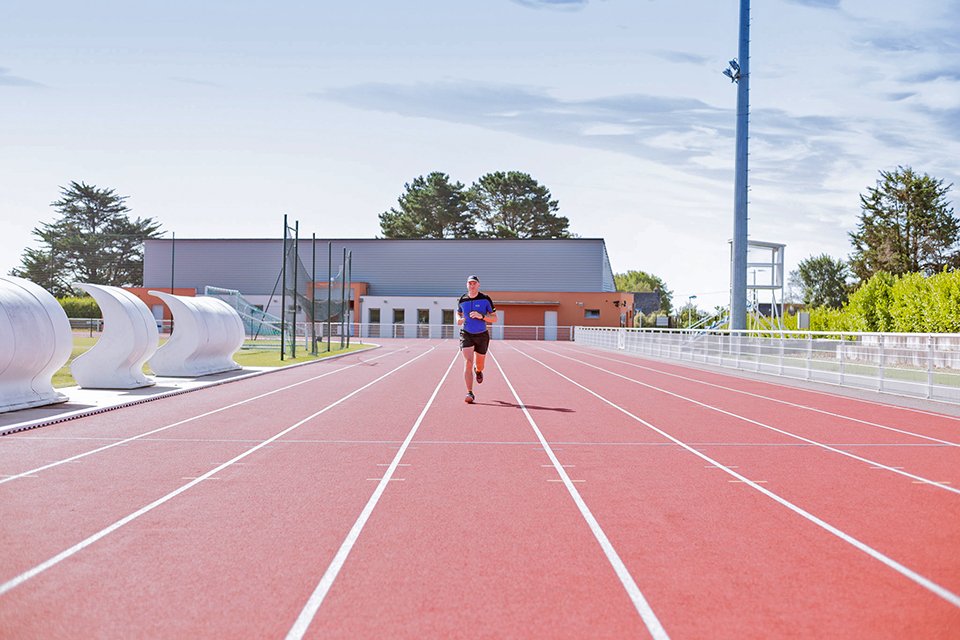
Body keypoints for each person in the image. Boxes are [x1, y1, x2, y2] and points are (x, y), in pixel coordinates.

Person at [457, 275, 497, 404]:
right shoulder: (462, 300)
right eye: (470, 283)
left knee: (480, 365)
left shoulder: (485, 299)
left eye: (474, 283)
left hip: (481, 335)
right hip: (466, 333)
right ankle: (470, 392)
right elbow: (458, 312)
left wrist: (482, 316)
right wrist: (459, 319)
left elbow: (494, 318)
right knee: (468, 362)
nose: (472, 285)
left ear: (478, 285)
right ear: (467, 285)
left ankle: (478, 371)